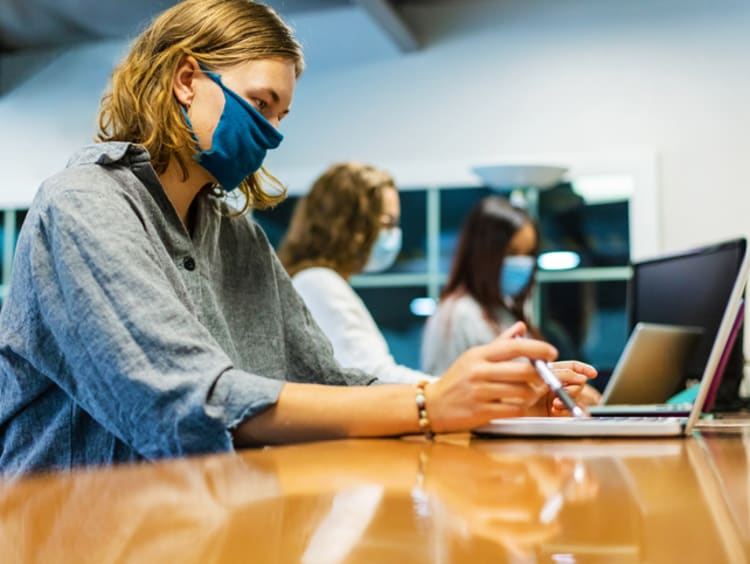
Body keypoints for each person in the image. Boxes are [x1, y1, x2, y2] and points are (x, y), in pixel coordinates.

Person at [0, 0, 592, 476]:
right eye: (261, 103)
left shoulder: (236, 235)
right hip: (76, 533)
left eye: (281, 114)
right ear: (186, 79)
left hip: (196, 524)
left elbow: (329, 382)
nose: (272, 132)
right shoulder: (83, 206)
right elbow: (189, 404)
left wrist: (494, 399)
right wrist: (430, 405)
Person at [421, 196, 601, 403]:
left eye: (528, 254)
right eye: (511, 252)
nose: (521, 263)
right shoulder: (456, 315)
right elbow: (447, 400)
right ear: (483, 253)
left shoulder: (503, 311)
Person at [278, 162, 431, 384]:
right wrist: (448, 389)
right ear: (350, 226)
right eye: (387, 223)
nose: (393, 234)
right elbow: (370, 378)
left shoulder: (319, 281)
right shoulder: (317, 282)